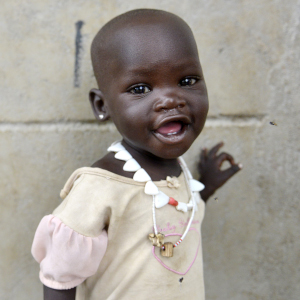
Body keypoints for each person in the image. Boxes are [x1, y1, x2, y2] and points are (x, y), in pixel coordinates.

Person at [32, 9, 242, 300]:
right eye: (140, 88)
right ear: (102, 105)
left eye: (187, 81)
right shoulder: (100, 187)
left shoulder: (178, 173)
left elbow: (171, 215)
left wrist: (204, 186)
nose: (170, 99)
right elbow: (60, 276)